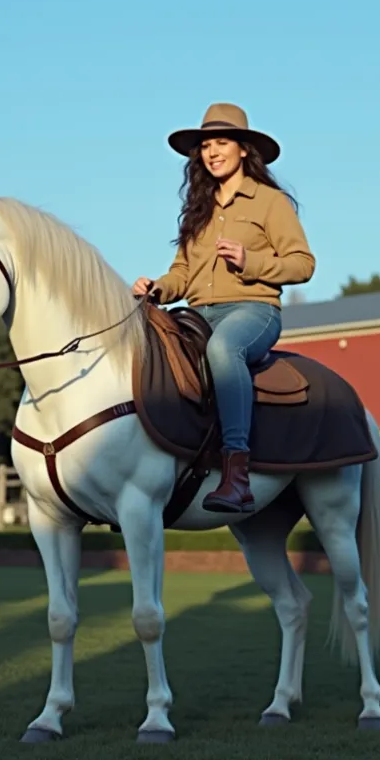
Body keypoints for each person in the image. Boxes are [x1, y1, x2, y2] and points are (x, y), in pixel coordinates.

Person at [133, 103, 315, 513]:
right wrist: (158, 288)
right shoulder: (197, 209)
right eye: (206, 146)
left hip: (254, 310)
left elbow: (303, 264)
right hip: (199, 314)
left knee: (223, 350)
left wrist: (250, 261)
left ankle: (237, 474)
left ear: (244, 150)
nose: (212, 152)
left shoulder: (270, 202)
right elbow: (181, 271)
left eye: (222, 143)